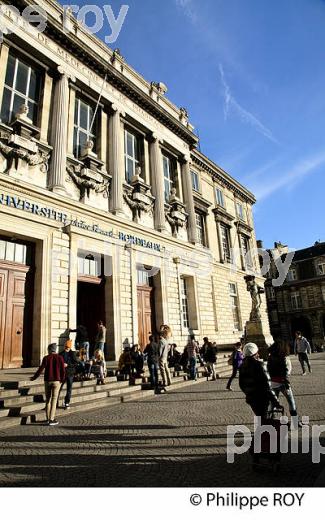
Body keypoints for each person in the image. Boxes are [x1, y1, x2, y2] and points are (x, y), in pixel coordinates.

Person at [239, 342, 281, 419]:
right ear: (255, 354)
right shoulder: (260, 365)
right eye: (257, 353)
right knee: (265, 419)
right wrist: (275, 401)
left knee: (260, 418)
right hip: (262, 398)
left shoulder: (242, 366)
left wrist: (249, 393)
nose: (258, 355)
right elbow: (268, 386)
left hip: (251, 399)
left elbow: (241, 385)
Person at [267, 340, 302, 427]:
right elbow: (287, 371)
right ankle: (295, 422)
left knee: (273, 403)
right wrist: (286, 382)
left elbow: (269, 370)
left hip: (273, 382)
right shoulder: (284, 358)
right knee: (291, 402)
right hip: (283, 383)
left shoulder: (270, 357)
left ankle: (270, 421)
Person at [30, 343, 65, 426]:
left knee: (48, 400)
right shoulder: (60, 358)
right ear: (55, 349)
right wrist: (62, 380)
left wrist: (34, 377)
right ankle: (51, 419)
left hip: (48, 381)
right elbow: (63, 371)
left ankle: (47, 419)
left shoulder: (46, 358)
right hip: (57, 381)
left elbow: (40, 369)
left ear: (49, 349)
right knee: (54, 399)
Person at [59, 339, 78, 409]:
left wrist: (68, 365)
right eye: (66, 347)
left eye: (68, 347)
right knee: (59, 388)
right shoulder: (60, 354)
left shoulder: (72, 353)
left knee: (69, 389)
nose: (67, 348)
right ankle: (56, 402)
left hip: (70, 373)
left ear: (70, 347)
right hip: (62, 374)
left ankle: (67, 402)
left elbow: (76, 363)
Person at [159, 325, 172, 389]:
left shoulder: (161, 341)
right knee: (167, 369)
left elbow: (160, 351)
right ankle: (169, 380)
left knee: (162, 370)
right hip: (165, 357)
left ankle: (165, 381)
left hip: (161, 357)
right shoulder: (166, 341)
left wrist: (158, 357)